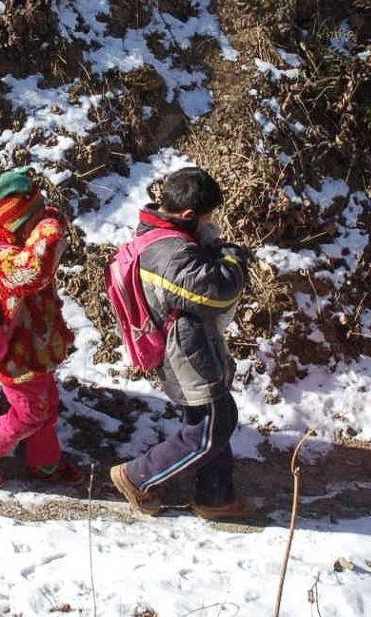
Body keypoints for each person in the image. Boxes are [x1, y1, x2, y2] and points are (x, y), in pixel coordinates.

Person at [108, 167, 253, 519]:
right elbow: (217, 291)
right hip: (184, 353)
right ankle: (138, 476)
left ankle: (215, 498)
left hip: (185, 345)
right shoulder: (170, 251)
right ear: (188, 215)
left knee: (211, 419)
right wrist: (233, 258)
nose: (211, 222)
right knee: (211, 427)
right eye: (207, 217)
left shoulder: (161, 234)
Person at [0, 167, 85, 487]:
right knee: (29, 414)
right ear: (18, 223)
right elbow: (35, 269)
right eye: (33, 222)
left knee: (47, 407)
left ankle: (45, 463)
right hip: (16, 356)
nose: (38, 228)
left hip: (35, 349)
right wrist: (50, 227)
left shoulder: (12, 242)